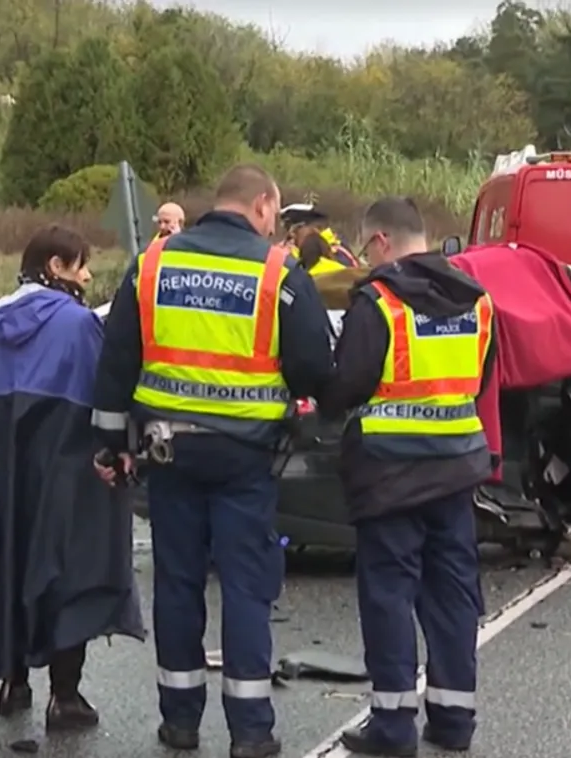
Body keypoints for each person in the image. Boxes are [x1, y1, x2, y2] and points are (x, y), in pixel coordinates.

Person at [91, 164, 333, 758]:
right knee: (247, 588)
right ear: (263, 205)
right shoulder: (280, 273)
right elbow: (313, 369)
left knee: (177, 583)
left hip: (167, 452)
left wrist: (110, 445)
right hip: (245, 458)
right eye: (273, 214)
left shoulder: (152, 265)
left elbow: (116, 362)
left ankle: (180, 722)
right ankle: (250, 731)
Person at [316, 197, 495, 757]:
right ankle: (453, 719)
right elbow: (481, 377)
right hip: (456, 470)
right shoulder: (478, 300)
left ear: (383, 242)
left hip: (390, 473)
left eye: (367, 246)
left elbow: (344, 387)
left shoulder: (379, 302)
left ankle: (393, 727)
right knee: (453, 595)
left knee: (389, 596)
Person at [0, 225, 145, 731]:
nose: (87, 276)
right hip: (67, 463)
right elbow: (102, 399)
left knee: (10, 557)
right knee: (71, 568)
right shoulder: (79, 324)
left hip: (4, 465)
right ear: (55, 267)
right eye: (80, 265)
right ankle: (64, 696)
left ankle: (12, 681)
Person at [280, 202, 360, 267]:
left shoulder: (339, 253)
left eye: (295, 229)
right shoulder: (287, 252)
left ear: (315, 228)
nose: (291, 235)